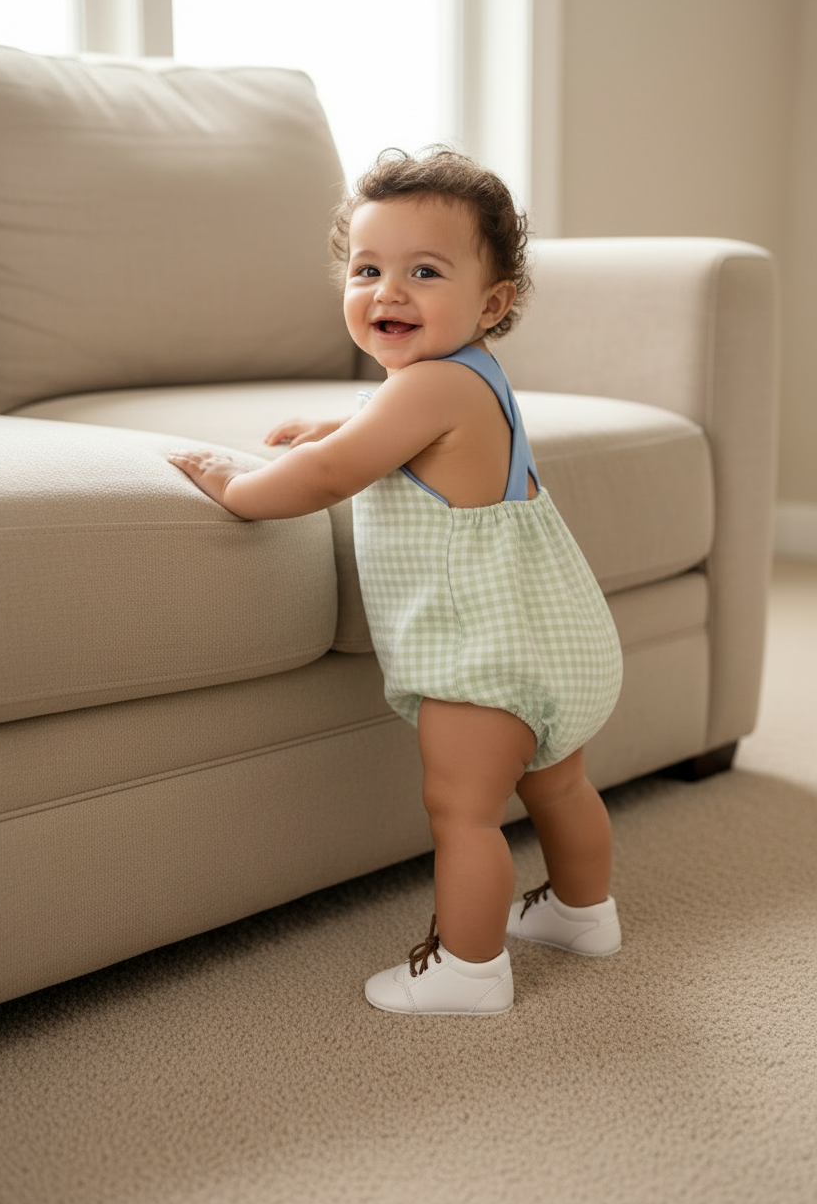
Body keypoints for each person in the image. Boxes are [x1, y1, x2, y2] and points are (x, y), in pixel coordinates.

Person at [167, 147, 623, 1017]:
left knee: (463, 813)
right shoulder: (469, 377)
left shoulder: (428, 389)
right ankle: (582, 912)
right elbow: (392, 435)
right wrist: (337, 424)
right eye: (368, 269)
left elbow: (330, 477)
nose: (390, 292)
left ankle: (469, 968)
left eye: (425, 271)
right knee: (560, 786)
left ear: (492, 303)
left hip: (483, 660)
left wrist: (235, 486)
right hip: (555, 642)